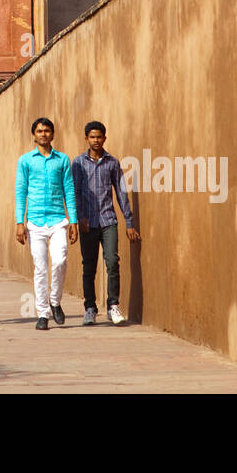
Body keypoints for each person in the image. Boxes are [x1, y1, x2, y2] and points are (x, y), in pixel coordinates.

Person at [73, 120, 141, 326]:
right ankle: (90, 308)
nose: (96, 140)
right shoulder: (78, 163)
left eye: (99, 137)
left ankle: (113, 306)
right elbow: (75, 192)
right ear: (86, 139)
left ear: (104, 138)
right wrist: (79, 217)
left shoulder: (112, 163)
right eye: (92, 137)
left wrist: (129, 222)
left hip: (108, 220)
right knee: (89, 266)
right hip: (87, 223)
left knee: (112, 261)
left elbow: (121, 192)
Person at [14, 117, 78, 330]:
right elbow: (21, 191)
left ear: (53, 134)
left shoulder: (62, 159)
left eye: (47, 131)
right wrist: (19, 222)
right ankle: (42, 314)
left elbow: (69, 190)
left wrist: (74, 221)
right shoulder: (25, 161)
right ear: (34, 134)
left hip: (58, 219)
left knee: (59, 260)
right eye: (40, 131)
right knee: (40, 268)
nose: (43, 134)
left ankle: (55, 301)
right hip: (35, 222)